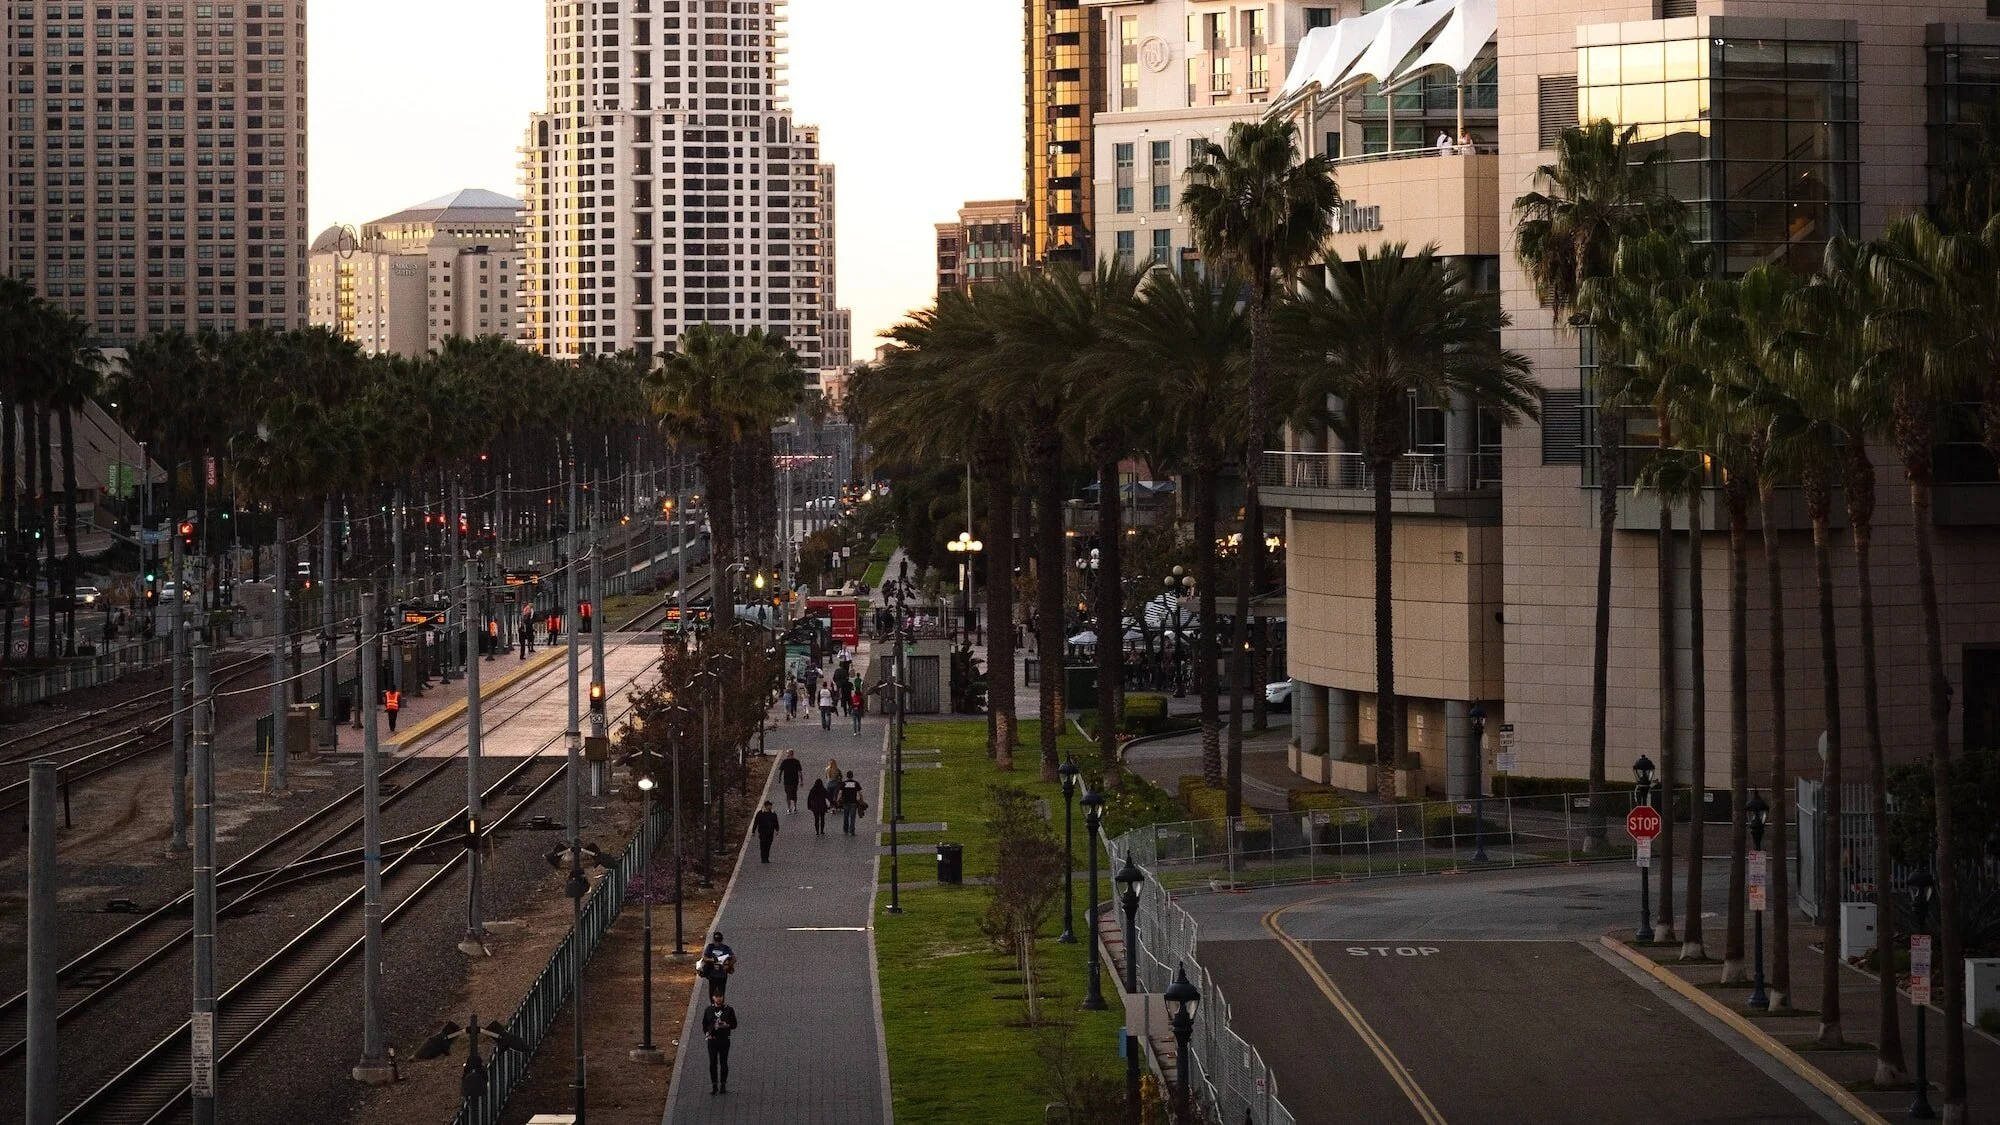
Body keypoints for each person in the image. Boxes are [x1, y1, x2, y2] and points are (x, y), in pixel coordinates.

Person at [701, 991, 738, 1095]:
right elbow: (704, 1023)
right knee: (712, 1062)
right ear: (713, 998)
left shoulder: (729, 1010)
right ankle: (714, 1084)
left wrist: (727, 1025)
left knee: (724, 1062)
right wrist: (707, 1033)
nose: (719, 999)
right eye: (716, 997)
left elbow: (734, 1024)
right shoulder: (709, 1010)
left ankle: (723, 1084)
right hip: (712, 1040)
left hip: (724, 1039)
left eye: (720, 996)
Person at [698, 931, 735, 1000]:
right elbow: (705, 957)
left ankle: (720, 1005)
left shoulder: (726, 948)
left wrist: (728, 966)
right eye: (716, 941)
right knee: (712, 992)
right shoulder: (710, 947)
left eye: (719, 941)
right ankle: (713, 1006)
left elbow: (733, 958)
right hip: (712, 974)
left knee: (721, 992)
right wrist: (712, 960)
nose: (717, 943)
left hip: (722, 974)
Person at [839, 770, 866, 836]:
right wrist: (861, 800)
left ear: (847, 776)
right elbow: (860, 793)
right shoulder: (856, 783)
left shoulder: (844, 783)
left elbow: (840, 793)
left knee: (846, 816)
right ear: (852, 776)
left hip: (845, 802)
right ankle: (852, 830)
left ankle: (845, 829)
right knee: (852, 817)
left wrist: (838, 799)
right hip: (853, 802)